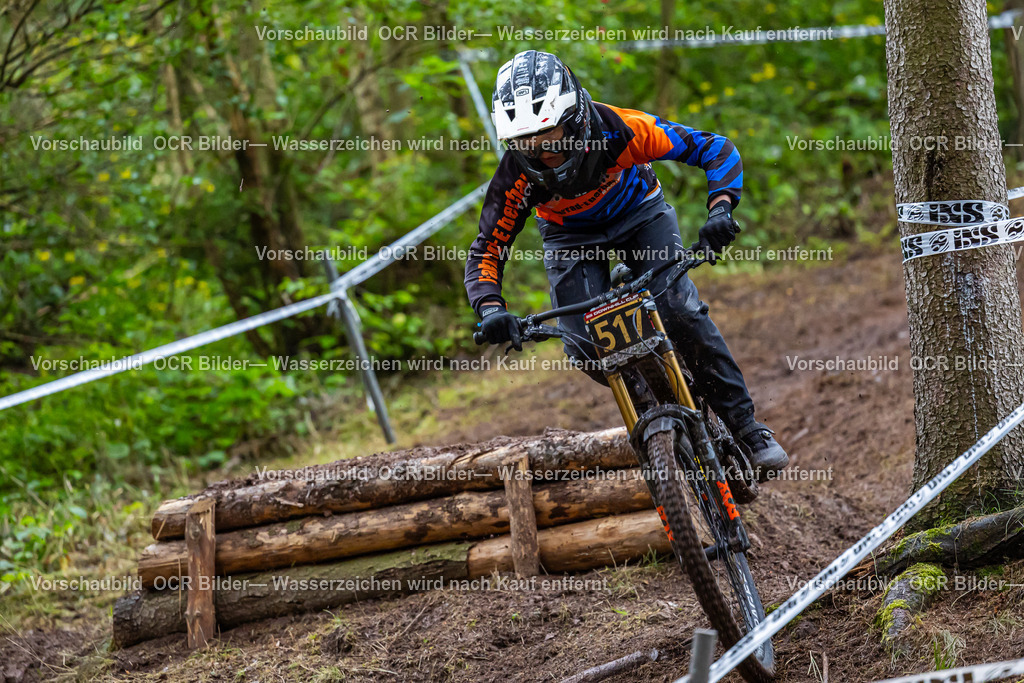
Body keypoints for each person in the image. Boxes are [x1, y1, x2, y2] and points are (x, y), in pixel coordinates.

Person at [463, 50, 788, 480]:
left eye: (551, 137)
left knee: (678, 310)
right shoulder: (515, 179)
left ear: (576, 119)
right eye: (527, 144)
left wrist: (721, 210)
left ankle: (748, 429)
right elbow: (487, 248)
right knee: (582, 345)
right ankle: (653, 412)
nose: (543, 154)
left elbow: (715, 149)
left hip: (640, 213)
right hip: (570, 237)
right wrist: (491, 310)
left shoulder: (621, 130)